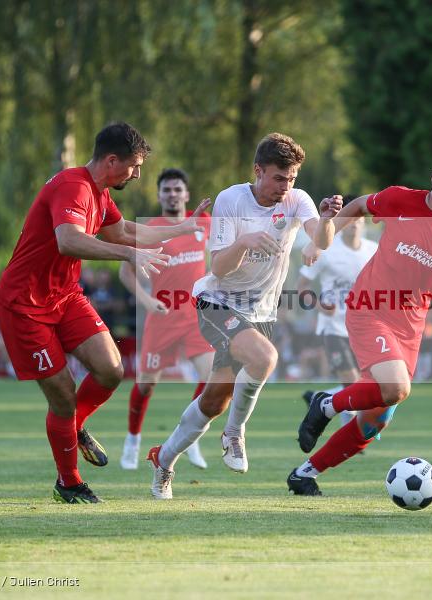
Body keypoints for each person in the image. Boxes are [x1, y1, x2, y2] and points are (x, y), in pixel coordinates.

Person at [0, 122, 207, 504]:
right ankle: (69, 482)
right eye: (134, 166)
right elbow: (68, 239)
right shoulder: (73, 186)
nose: (138, 174)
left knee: (110, 369)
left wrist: (184, 228)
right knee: (62, 394)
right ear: (112, 161)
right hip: (25, 304)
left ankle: (73, 426)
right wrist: (129, 254)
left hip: (64, 296)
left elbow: (124, 231)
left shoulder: (99, 192)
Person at [146, 132, 341, 500]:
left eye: (292, 178)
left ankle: (163, 460)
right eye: (279, 177)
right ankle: (234, 434)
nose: (286, 186)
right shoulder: (231, 200)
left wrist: (328, 219)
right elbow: (218, 265)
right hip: (217, 300)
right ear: (258, 170)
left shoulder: (298, 200)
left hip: (260, 311)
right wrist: (243, 242)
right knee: (266, 358)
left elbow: (322, 239)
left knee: (213, 401)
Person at [290, 142, 432, 496]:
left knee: (375, 420)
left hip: (409, 328)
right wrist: (325, 233)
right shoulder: (400, 199)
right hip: (369, 308)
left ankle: (305, 473)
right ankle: (327, 403)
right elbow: (362, 204)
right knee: (397, 388)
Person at [118, 168, 214, 471]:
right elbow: (125, 271)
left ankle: (191, 434)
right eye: (167, 190)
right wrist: (147, 301)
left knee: (213, 379)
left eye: (177, 189)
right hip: (162, 318)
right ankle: (133, 439)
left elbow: (217, 258)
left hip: (196, 316)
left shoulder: (204, 224)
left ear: (186, 194)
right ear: (159, 195)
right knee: (146, 386)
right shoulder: (151, 230)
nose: (172, 194)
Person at [298, 203, 379, 426]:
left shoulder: (373, 250)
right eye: (350, 220)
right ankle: (351, 432)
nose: (354, 224)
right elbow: (302, 288)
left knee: (366, 385)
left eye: (359, 219)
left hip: (363, 328)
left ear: (364, 222)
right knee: (352, 383)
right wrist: (319, 305)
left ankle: (319, 398)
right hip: (333, 327)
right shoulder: (326, 251)